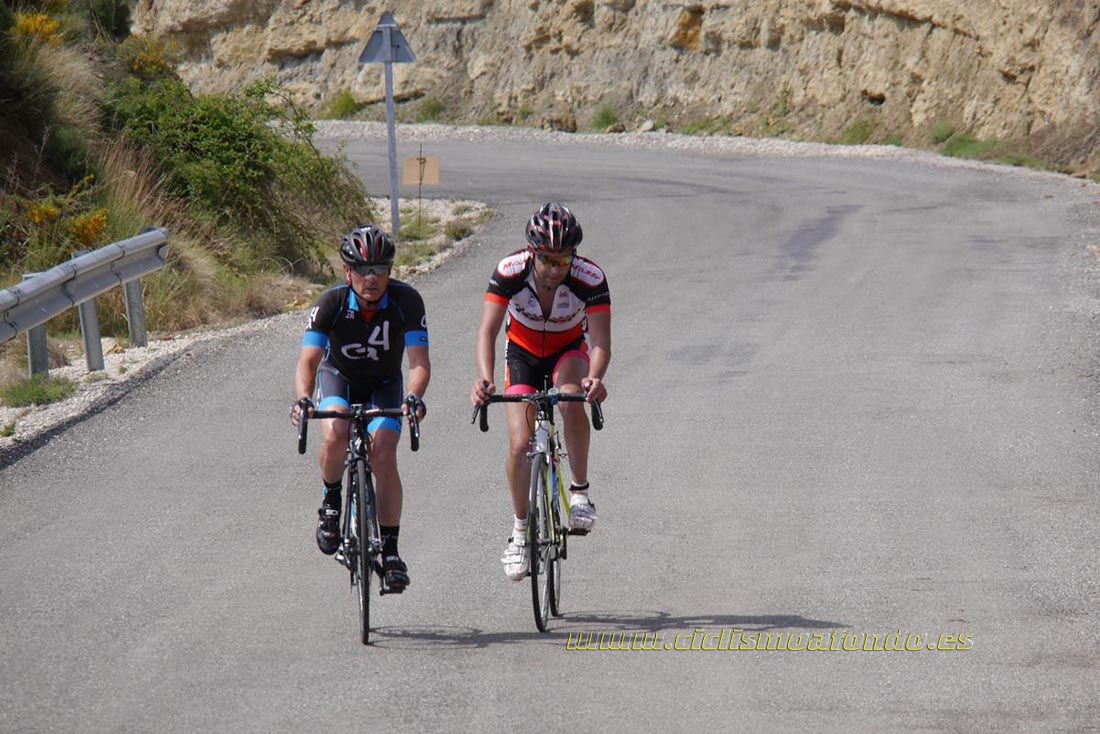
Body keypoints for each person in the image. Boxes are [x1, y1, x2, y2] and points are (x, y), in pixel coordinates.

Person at [470, 202, 611, 581]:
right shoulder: (509, 271)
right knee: (519, 444)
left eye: (562, 260)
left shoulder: (590, 278)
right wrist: (485, 380)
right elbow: (488, 331)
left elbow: (600, 341)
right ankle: (519, 532)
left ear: (573, 256)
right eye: (546, 260)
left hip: (568, 351)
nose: (553, 269)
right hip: (523, 354)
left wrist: (595, 378)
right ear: (532, 253)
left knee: (570, 398)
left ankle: (579, 492)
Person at [290, 225, 430, 592]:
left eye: (380, 269)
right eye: (363, 270)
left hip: (384, 384)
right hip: (340, 377)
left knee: (383, 452)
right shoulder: (331, 303)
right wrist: (304, 398)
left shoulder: (407, 301)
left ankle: (392, 550)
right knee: (335, 429)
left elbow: (418, 363)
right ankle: (332, 502)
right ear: (346, 270)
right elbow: (308, 361)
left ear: (390, 271)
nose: (372, 278)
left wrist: (413, 397)